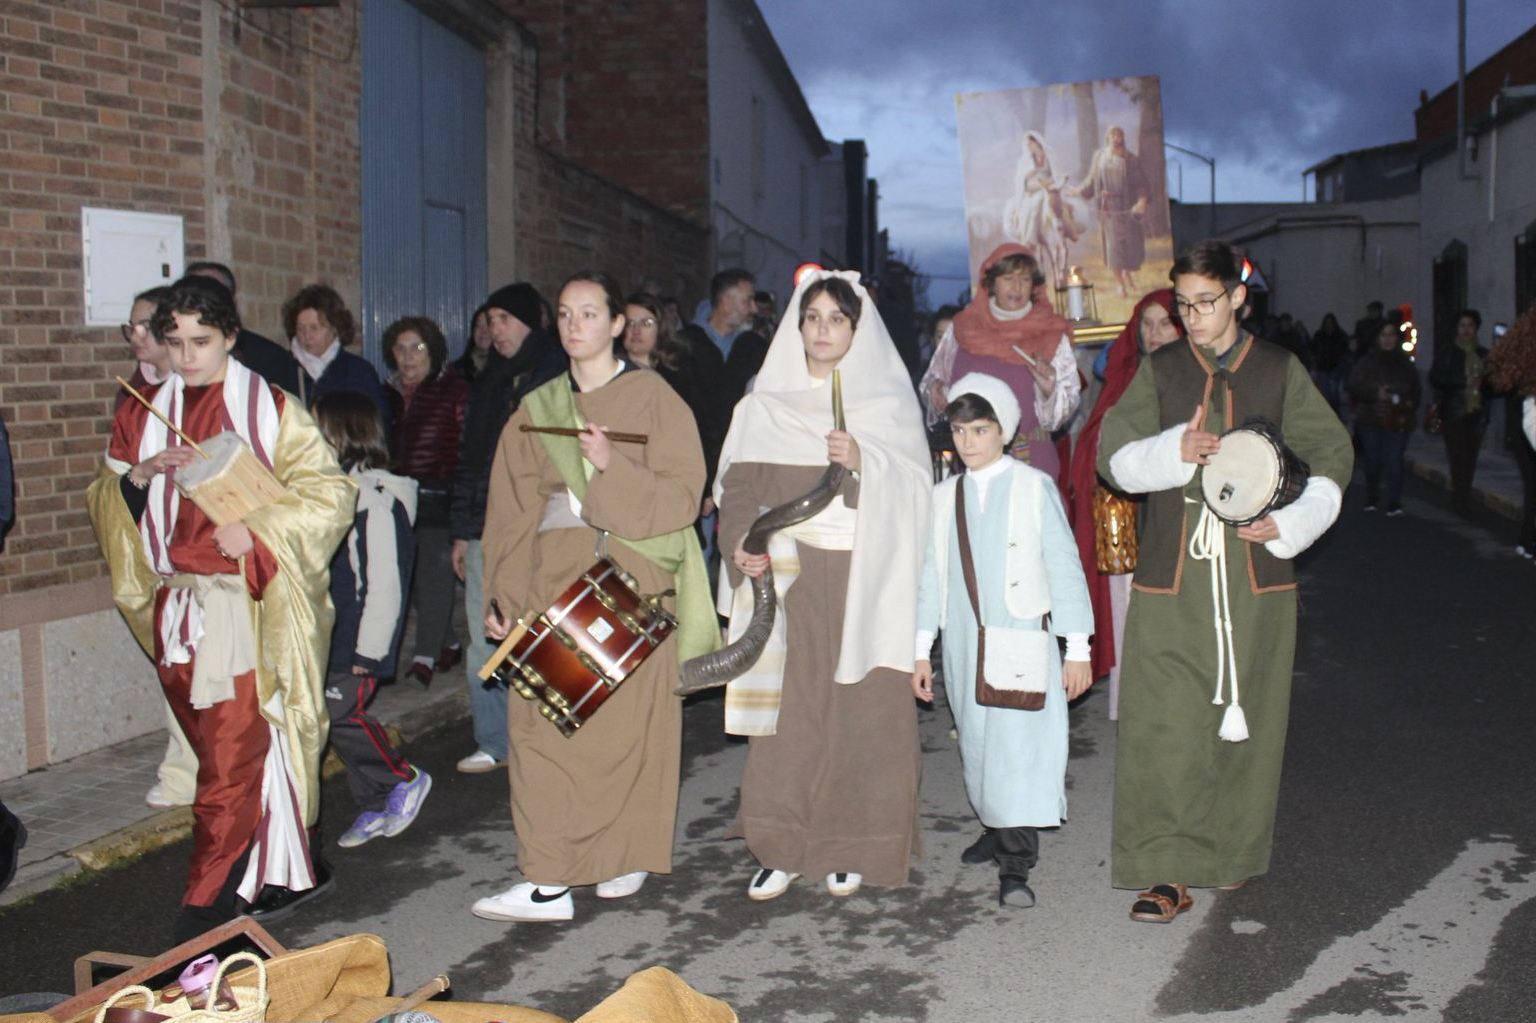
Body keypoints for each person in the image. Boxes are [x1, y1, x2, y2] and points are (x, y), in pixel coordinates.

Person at [86, 279, 354, 941]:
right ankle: (288, 869)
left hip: (241, 606)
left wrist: (258, 531)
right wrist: (139, 478)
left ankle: (203, 908)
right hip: (176, 609)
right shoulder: (144, 410)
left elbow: (329, 495)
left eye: (200, 342)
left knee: (232, 756)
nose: (185, 356)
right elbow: (106, 496)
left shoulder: (272, 408)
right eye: (173, 342)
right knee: (223, 752)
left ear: (231, 337)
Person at [1097, 240, 1352, 922]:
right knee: (1165, 724)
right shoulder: (1162, 367)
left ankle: (1232, 850)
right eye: (1181, 303)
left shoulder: (1279, 367)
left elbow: (1331, 453)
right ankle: (1169, 869)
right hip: (1170, 575)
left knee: (1249, 720)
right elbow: (1111, 455)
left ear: (1239, 297)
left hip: (1254, 573)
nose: (1191, 317)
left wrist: (1292, 522)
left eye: (1205, 302)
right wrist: (1167, 453)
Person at [471, 270, 714, 923]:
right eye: (565, 313)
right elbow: (513, 511)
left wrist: (612, 465)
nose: (575, 324)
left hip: (628, 579)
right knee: (540, 729)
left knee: (629, 735)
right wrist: (505, 592)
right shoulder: (537, 405)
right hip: (554, 580)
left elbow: (683, 497)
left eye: (589, 313)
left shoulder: (655, 398)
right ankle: (548, 876)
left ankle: (624, 851)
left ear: (616, 324)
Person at [716, 269, 931, 900]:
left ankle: (851, 842)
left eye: (837, 318)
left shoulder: (885, 406)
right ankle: (779, 842)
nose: (822, 330)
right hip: (790, 577)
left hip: (866, 577)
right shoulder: (764, 406)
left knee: (862, 712)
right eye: (812, 317)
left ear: (856, 330)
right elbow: (739, 490)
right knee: (790, 713)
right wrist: (740, 545)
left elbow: (920, 494)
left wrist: (866, 461)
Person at [913, 373, 1092, 908]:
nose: (969, 442)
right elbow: (930, 578)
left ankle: (1016, 863)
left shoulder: (1032, 486)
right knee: (977, 739)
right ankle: (994, 826)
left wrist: (1076, 648)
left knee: (1018, 746)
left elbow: (1065, 569)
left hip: (1021, 636)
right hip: (966, 640)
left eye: (981, 430)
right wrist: (921, 648)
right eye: (960, 431)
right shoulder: (944, 496)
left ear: (1004, 431)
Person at [448, 283, 567, 773]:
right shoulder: (489, 381)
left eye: (505, 319)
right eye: (490, 320)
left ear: (529, 320)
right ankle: (494, 739)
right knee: (485, 631)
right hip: (485, 525)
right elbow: (470, 460)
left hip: (540, 523)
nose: (496, 329)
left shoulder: (555, 371)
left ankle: (549, 731)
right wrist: (461, 529)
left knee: (543, 627)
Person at [312, 391, 433, 849]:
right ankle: (375, 802)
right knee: (334, 717)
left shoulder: (375, 499)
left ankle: (404, 778)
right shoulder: (339, 493)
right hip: (334, 630)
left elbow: (384, 581)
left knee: (337, 713)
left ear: (345, 436)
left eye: (318, 433)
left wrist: (370, 650)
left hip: (360, 635)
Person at [1067, 291, 1182, 713]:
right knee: (1129, 607)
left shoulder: (1196, 376)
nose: (1154, 333)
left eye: (1164, 323)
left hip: (1175, 511)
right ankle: (1134, 704)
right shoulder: (1124, 374)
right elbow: (1099, 439)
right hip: (1124, 512)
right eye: (1146, 324)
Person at [926, 244, 1081, 486]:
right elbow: (932, 384)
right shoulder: (962, 329)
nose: (1017, 287)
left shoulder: (1052, 334)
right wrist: (938, 394)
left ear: (1034, 286)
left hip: (1030, 464)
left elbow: (1063, 410)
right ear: (991, 283)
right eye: (1008, 278)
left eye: (1025, 279)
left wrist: (1049, 390)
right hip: (972, 461)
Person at [384, 316, 470, 686]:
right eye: (400, 349)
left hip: (440, 496)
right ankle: (448, 641)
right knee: (412, 579)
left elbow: (468, 446)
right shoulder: (387, 393)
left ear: (432, 350)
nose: (408, 357)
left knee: (433, 574)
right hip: (398, 497)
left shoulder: (454, 390)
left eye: (416, 348)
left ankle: (425, 655)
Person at [624, 291, 722, 500]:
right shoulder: (609, 376)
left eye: (646, 323)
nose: (636, 331)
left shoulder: (679, 375)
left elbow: (703, 428)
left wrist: (706, 487)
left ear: (660, 328)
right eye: (630, 323)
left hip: (675, 479)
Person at [185, 261, 305, 397]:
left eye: (213, 295)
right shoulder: (172, 358)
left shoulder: (271, 359)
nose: (202, 304)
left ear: (232, 301)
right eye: (194, 296)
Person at [281, 284, 391, 427]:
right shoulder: (284, 367)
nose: (307, 336)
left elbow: (379, 425)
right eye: (300, 329)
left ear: (335, 328)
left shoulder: (359, 372)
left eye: (315, 328)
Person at [1347, 321, 1422, 516]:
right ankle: (1372, 498)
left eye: (1391, 335)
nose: (1388, 339)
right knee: (1372, 460)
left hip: (1398, 420)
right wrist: (1375, 393)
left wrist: (1404, 400)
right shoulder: (1367, 361)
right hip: (1371, 419)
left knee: (1394, 460)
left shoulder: (1405, 363)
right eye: (1383, 335)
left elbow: (1415, 389)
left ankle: (1394, 502)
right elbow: (1354, 385)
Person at [1068, 126, 1149, 298]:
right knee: (1113, 250)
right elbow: (1091, 181)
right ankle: (1120, 285)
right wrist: (1077, 191)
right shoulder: (1100, 157)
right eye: (1112, 134)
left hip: (1127, 208)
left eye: (1119, 135)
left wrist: (1142, 200)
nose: (1115, 138)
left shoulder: (1130, 159)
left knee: (1130, 246)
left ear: (1123, 138)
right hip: (1108, 210)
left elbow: (1141, 183)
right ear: (1108, 137)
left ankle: (1127, 274)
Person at [1428, 309, 1492, 519]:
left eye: (1470, 325)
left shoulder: (1484, 354)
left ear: (1476, 329)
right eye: (1462, 325)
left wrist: (1485, 383)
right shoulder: (1448, 352)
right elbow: (1436, 377)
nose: (1466, 330)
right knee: (1458, 457)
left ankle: (1463, 496)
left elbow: (1495, 386)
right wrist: (1462, 382)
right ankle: (1460, 499)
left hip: (1477, 413)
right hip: (1454, 411)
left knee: (1470, 457)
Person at [1005, 131, 1084, 290]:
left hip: (1051, 189)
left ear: (1037, 143)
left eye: (1030, 144)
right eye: (1026, 145)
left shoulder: (1049, 157)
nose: (1028, 147)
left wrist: (1054, 185)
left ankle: (1069, 230)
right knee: (1036, 203)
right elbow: (1022, 184)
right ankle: (1030, 237)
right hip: (1033, 192)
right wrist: (1035, 184)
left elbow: (1057, 175)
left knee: (1059, 204)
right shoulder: (1025, 161)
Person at [1487, 308, 1536, 555]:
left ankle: (1527, 539)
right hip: (1525, 426)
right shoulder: (1522, 362)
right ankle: (1528, 540)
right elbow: (1497, 385)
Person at [1309, 312, 1351, 413]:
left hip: (1336, 369)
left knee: (1334, 396)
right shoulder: (1319, 335)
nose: (1329, 325)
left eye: (1330, 322)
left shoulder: (1341, 336)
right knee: (1324, 396)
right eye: (1327, 322)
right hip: (1322, 368)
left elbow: (1345, 352)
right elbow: (1313, 350)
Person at [452, 304, 494, 383]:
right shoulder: (456, 372)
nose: (483, 331)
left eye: (488, 326)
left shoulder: (508, 369)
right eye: (478, 326)